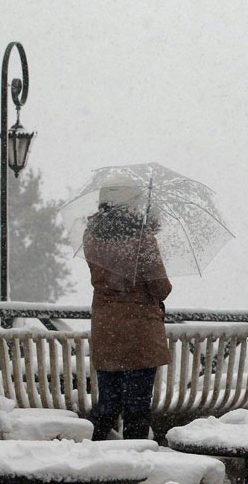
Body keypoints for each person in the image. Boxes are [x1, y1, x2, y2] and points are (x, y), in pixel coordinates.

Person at [84, 184, 172, 441]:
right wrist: (148, 234)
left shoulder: (91, 236)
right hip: (139, 332)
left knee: (109, 400)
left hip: (106, 327)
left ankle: (97, 454)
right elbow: (160, 287)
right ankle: (134, 457)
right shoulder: (142, 239)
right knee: (137, 403)